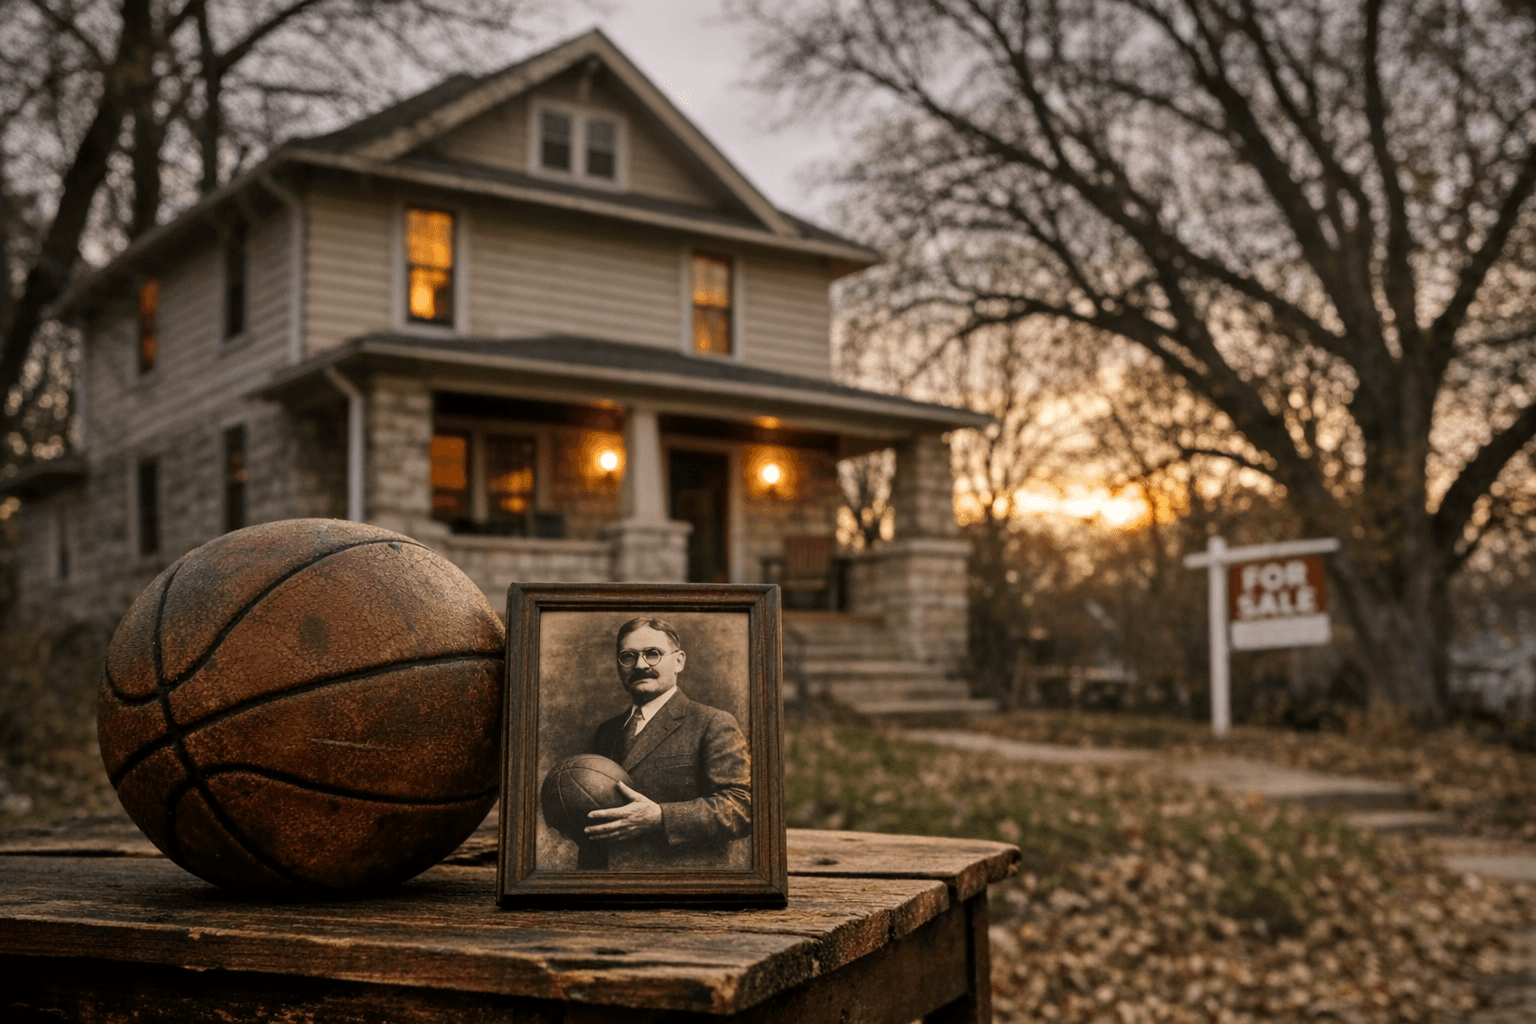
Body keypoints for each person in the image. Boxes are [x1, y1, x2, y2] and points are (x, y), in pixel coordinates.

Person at [577, 616, 751, 870]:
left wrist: (661, 817)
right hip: (607, 883)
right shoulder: (608, 731)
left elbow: (742, 808)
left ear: (679, 661)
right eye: (628, 656)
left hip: (680, 884)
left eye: (652, 654)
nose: (640, 665)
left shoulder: (712, 723)